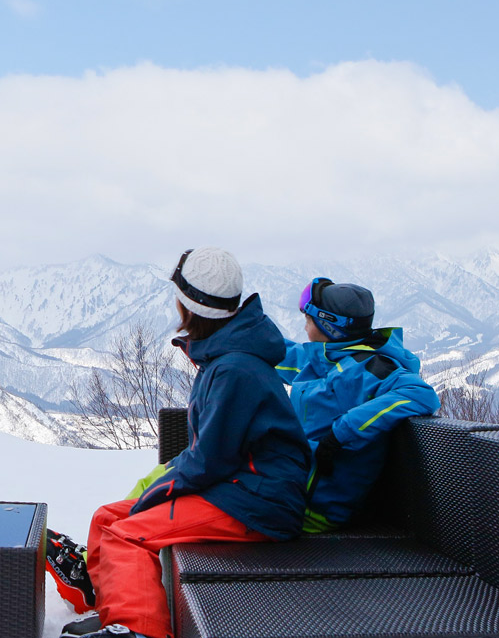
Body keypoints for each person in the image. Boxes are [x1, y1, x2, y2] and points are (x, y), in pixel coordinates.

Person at [46, 248, 311, 638]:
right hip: (235, 486)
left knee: (126, 535)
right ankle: (107, 605)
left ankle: (138, 630)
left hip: (258, 500)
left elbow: (208, 461)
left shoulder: (234, 369)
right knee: (108, 517)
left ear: (188, 307)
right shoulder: (225, 354)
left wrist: (155, 494)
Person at [279, 278, 440, 533]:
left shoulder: (373, 369)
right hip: (292, 493)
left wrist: (341, 432)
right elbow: (280, 354)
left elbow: (421, 394)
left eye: (309, 320)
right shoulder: (327, 359)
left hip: (314, 510)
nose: (305, 326)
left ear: (328, 326)